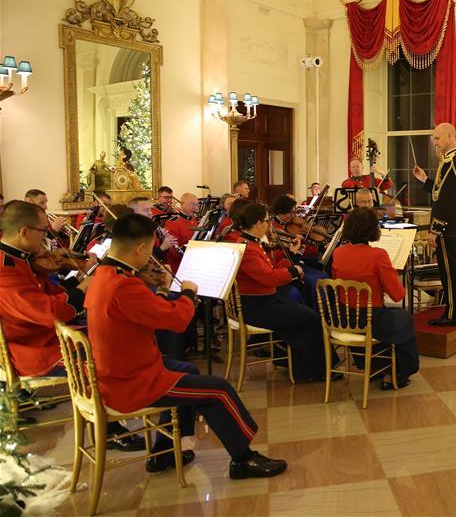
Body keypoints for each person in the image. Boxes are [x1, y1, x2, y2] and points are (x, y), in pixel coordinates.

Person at [85, 213, 286, 478]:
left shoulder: (105, 273)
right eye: (150, 250)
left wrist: (162, 291)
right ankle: (243, 458)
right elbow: (177, 321)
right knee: (218, 390)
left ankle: (164, 453)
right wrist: (188, 292)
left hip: (117, 368)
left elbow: (145, 311)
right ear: (141, 248)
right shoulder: (124, 285)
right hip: (130, 380)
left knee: (189, 371)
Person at [0, 201, 144, 452]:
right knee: (103, 358)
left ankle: (123, 404)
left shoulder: (20, 258)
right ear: (24, 232)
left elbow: (52, 293)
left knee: (115, 338)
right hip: (33, 349)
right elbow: (48, 312)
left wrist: (78, 281)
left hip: (43, 337)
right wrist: (82, 289)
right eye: (44, 231)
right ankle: (107, 430)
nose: (48, 239)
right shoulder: (5, 270)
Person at [233, 203, 330, 382]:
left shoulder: (251, 243)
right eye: (267, 221)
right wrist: (294, 271)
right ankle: (313, 371)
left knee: (305, 312)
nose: (269, 224)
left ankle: (298, 365)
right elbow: (270, 278)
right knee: (311, 318)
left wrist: (292, 257)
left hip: (265, 301)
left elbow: (273, 269)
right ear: (257, 224)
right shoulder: (248, 249)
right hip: (256, 307)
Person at [331, 208, 419, 389]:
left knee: (388, 320)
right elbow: (398, 295)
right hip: (370, 319)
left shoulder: (338, 253)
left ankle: (371, 367)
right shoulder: (378, 255)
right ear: (373, 229)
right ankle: (393, 375)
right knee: (404, 319)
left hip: (343, 317)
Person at [412, 123, 456, 326]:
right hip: (454, 224)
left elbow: (446, 200)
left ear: (450, 136)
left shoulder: (453, 162)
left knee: (450, 271)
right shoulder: (454, 160)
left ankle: (453, 314)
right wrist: (424, 179)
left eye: (438, 138)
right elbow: (440, 191)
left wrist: (435, 230)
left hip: (448, 225)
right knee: (454, 269)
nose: (435, 143)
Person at [164, 193, 199, 271]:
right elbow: (173, 251)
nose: (196, 208)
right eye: (192, 204)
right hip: (180, 265)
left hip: (193, 261)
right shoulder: (173, 222)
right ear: (182, 204)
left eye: (197, 204)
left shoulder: (194, 219)